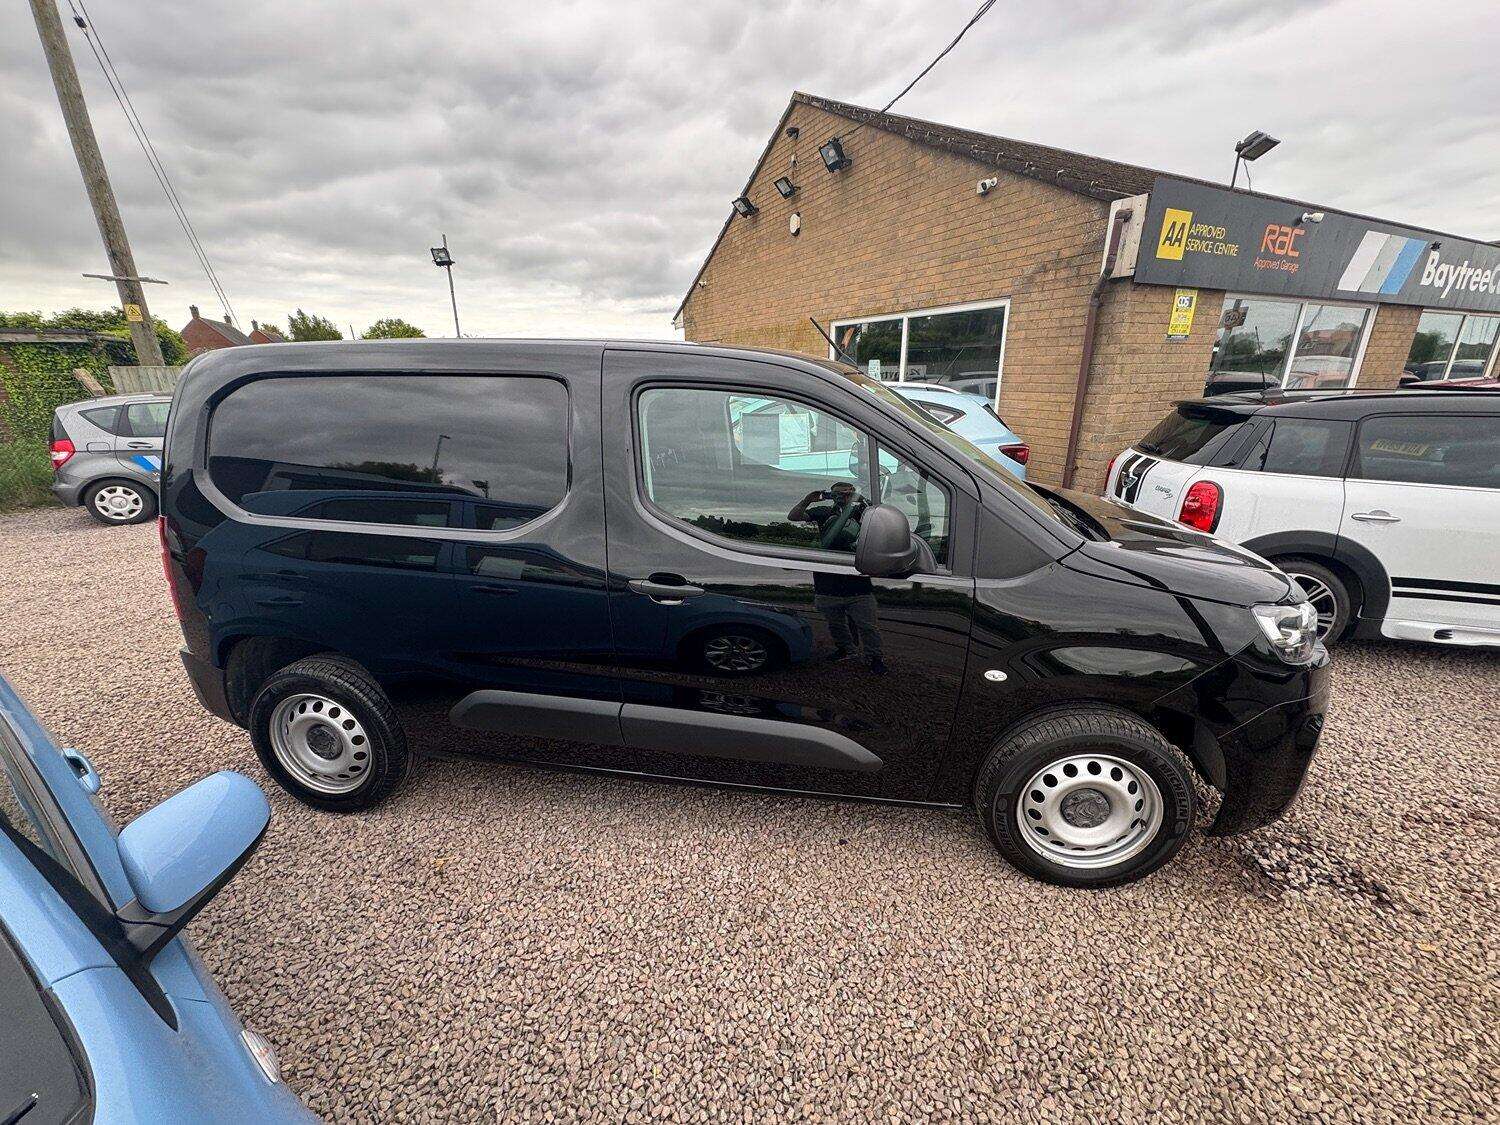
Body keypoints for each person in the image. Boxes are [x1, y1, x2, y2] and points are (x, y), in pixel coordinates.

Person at [788, 480, 886, 673]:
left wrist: (861, 500)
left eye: (846, 494)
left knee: (868, 626)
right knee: (835, 624)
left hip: (858, 580)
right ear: (830, 495)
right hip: (827, 580)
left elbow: (880, 522)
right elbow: (793, 516)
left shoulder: (862, 512)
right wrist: (808, 499)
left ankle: (874, 657)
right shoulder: (824, 512)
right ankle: (845, 649)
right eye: (837, 494)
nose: (841, 498)